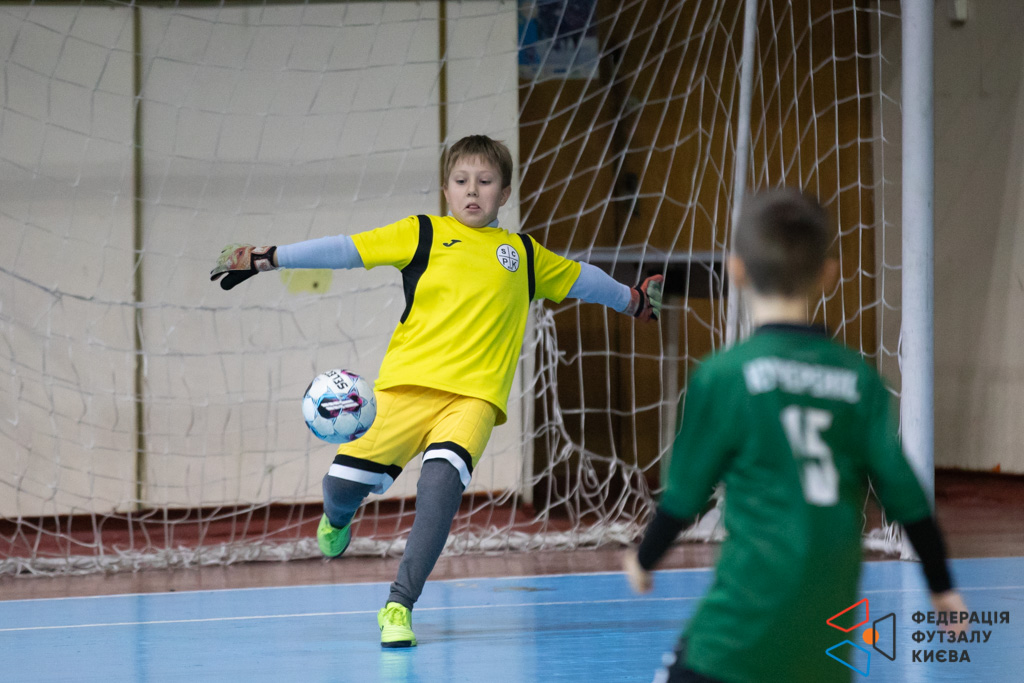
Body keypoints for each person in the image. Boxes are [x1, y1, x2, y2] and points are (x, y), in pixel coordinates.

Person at [210, 134, 664, 648]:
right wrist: (266, 257)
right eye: (461, 180)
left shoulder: (522, 254)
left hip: (472, 400)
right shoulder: (421, 233)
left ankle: (399, 605)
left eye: (485, 182)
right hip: (402, 392)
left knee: (439, 491)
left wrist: (633, 300)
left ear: (504, 193)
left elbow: (584, 279)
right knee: (340, 487)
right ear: (446, 190)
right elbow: (346, 249)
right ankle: (338, 518)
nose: (472, 190)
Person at [623, 187, 966, 682]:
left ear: (736, 270)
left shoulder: (725, 376)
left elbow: (684, 496)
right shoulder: (859, 380)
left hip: (736, 635)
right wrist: (942, 586)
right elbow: (907, 497)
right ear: (828, 273)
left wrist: (644, 558)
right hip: (823, 644)